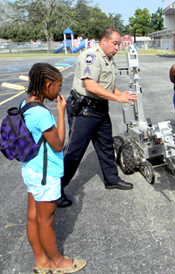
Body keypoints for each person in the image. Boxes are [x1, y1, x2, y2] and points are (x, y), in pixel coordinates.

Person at [58, 29, 137, 208]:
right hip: (85, 110)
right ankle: (56, 191)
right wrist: (118, 98)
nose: (117, 48)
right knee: (74, 152)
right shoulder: (91, 56)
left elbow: (107, 84)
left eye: (119, 44)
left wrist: (121, 94)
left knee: (106, 146)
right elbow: (91, 86)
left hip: (100, 109)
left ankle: (111, 179)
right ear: (103, 41)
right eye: (115, 44)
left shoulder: (107, 58)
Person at [22, 63, 86, 273]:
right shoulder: (42, 114)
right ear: (47, 85)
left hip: (31, 169)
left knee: (33, 217)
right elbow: (58, 144)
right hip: (45, 174)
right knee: (46, 220)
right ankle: (58, 262)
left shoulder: (26, 104)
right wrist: (60, 112)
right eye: (58, 86)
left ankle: (41, 261)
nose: (60, 90)